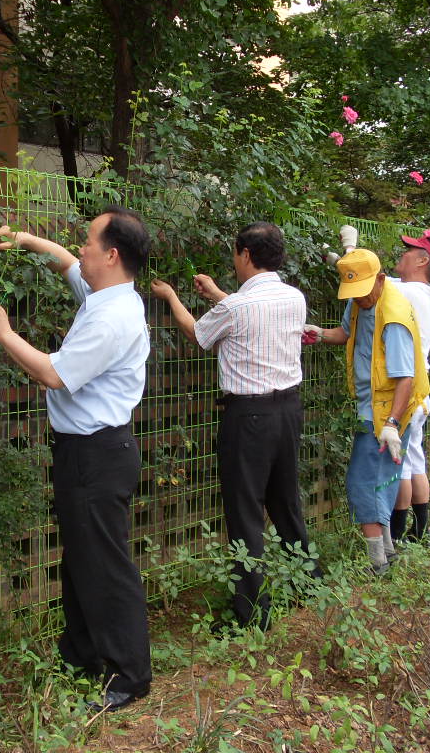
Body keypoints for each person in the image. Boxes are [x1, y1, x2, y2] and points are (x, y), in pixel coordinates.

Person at [0, 208, 152, 711]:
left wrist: (4, 332)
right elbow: (64, 263)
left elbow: (53, 375)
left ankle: (130, 674)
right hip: (87, 452)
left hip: (98, 455)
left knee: (105, 564)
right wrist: (26, 239)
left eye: (88, 242)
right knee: (81, 561)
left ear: (112, 254)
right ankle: (81, 657)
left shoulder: (113, 318)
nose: (80, 248)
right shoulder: (106, 296)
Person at [151, 221, 321, 632]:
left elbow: (199, 334)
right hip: (288, 410)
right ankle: (311, 589)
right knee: (285, 502)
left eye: (235, 253)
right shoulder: (293, 298)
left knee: (244, 512)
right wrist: (216, 294)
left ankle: (251, 616)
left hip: (248, 418)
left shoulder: (236, 308)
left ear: (245, 254)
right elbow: (251, 320)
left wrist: (172, 296)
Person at [303, 248, 429, 575]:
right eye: (353, 294)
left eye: (361, 293)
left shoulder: (394, 316)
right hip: (372, 409)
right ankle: (387, 554)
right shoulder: (361, 296)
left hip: (386, 414)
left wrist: (390, 424)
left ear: (382, 279)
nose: (357, 299)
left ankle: (377, 566)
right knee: (379, 483)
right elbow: (346, 334)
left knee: (361, 483)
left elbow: (406, 378)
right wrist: (319, 334)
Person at [388, 230, 430, 545]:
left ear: (423, 260)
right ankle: (421, 531)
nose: (402, 253)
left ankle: (397, 537)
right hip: (421, 389)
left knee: (398, 464)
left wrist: (343, 254)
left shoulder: (408, 293)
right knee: (415, 456)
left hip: (406, 389)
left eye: (410, 250)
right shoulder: (421, 292)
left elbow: (368, 282)